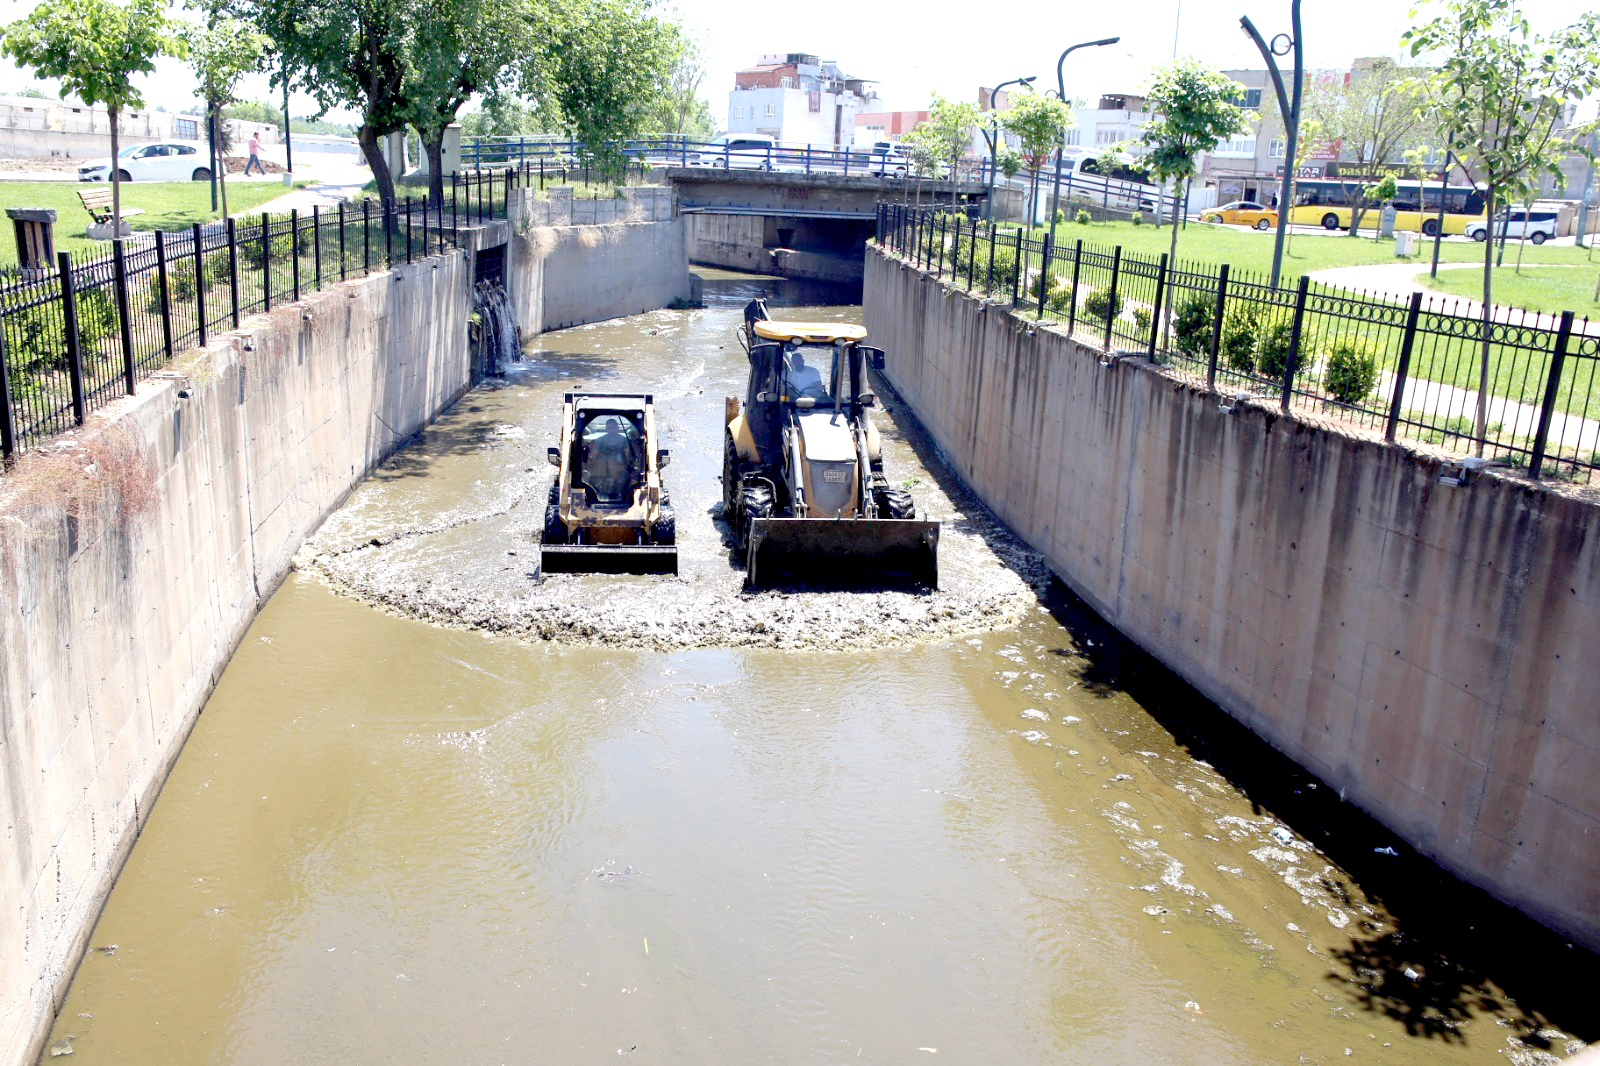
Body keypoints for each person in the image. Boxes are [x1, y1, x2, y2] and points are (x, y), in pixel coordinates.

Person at [584, 417, 636, 501]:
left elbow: (628, 458)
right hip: (601, 472)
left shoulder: (625, 441)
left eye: (614, 427)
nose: (612, 430)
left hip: (619, 472)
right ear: (606, 428)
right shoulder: (599, 441)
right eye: (609, 428)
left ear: (618, 428)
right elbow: (593, 456)